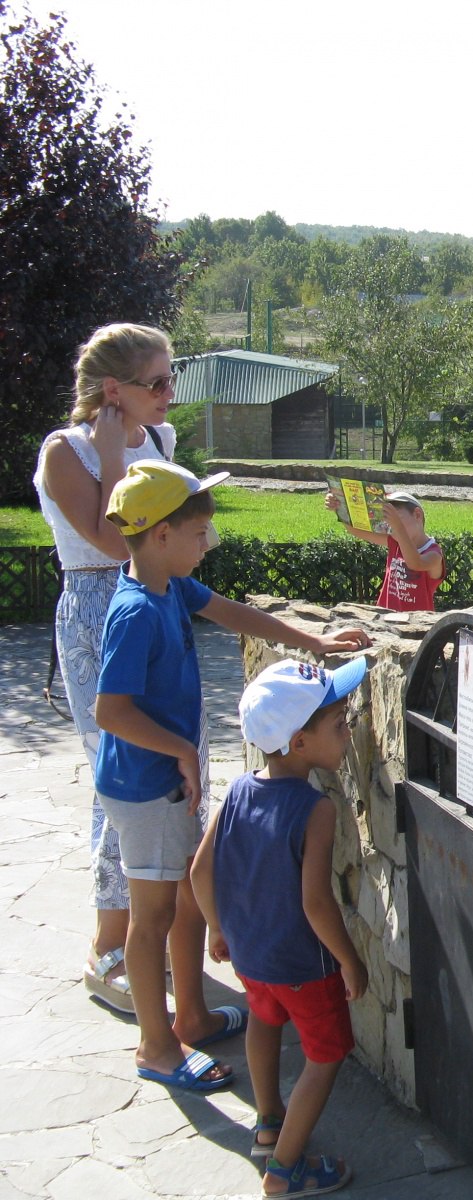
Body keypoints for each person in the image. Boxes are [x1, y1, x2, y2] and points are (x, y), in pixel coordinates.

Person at [93, 459, 371, 1094]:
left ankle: (189, 1013)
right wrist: (182, 751)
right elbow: (112, 710)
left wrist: (315, 642)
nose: (207, 544)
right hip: (145, 783)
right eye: (199, 533)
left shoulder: (171, 586)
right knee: (152, 917)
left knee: (188, 895)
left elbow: (236, 614)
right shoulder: (135, 611)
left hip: (164, 776)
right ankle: (157, 1045)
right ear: (161, 535)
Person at [32, 322, 228, 1032]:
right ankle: (110, 946)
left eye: (172, 377)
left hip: (158, 605)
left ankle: (160, 932)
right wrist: (113, 457)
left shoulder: (162, 443)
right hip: (97, 612)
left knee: (180, 762)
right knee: (121, 772)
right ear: (111, 390)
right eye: (156, 381)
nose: (169, 393)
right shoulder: (68, 451)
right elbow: (117, 539)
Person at [192, 657, 371, 1196]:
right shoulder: (316, 810)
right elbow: (316, 903)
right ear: (298, 742)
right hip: (302, 966)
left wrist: (216, 930)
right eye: (339, 726)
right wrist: (349, 959)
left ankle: (268, 1123)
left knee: (263, 1022)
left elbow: (201, 870)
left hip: (250, 958)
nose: (348, 732)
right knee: (326, 1053)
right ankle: (285, 1171)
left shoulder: (240, 790)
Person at [322, 489, 444, 611]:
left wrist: (398, 527)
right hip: (386, 619)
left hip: (415, 625)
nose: (390, 526)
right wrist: (339, 506)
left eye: (396, 519)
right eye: (387, 521)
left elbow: (415, 563)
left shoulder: (434, 553)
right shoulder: (395, 541)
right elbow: (354, 530)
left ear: (417, 515)